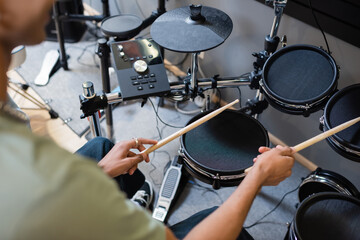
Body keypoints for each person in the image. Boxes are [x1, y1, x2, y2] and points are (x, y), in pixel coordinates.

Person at [0, 0, 295, 239]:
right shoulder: (44, 177)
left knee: (103, 146)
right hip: (61, 214)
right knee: (234, 233)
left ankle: (130, 207)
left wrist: (99, 172)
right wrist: (256, 178)